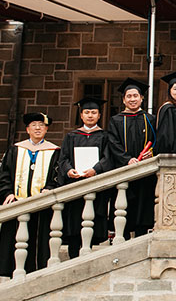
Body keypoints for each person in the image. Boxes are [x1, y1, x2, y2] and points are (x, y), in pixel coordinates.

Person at [0, 112, 60, 277]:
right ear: (27, 129)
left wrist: (50, 187)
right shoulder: (16, 150)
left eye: (41, 125)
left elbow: (58, 176)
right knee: (14, 244)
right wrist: (6, 193)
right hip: (18, 205)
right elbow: (2, 175)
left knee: (38, 248)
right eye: (34, 125)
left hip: (41, 208)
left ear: (46, 129)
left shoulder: (54, 151)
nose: (37, 128)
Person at [58, 97, 113, 258]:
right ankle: (73, 257)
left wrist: (95, 170)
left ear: (99, 115)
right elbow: (63, 159)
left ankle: (88, 256)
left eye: (93, 112)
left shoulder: (104, 136)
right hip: (75, 186)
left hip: (94, 187)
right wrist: (69, 170)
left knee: (92, 223)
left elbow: (108, 158)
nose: (90, 115)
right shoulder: (71, 136)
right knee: (74, 225)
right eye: (87, 112)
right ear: (81, 115)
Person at [107, 78, 157, 238]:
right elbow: (113, 143)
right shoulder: (116, 120)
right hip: (124, 170)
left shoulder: (150, 119)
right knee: (124, 205)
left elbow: (158, 140)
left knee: (144, 206)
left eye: (136, 96)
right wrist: (127, 159)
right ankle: (124, 236)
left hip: (145, 171)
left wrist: (152, 153)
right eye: (129, 96)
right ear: (123, 99)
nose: (132, 99)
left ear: (142, 98)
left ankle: (142, 235)